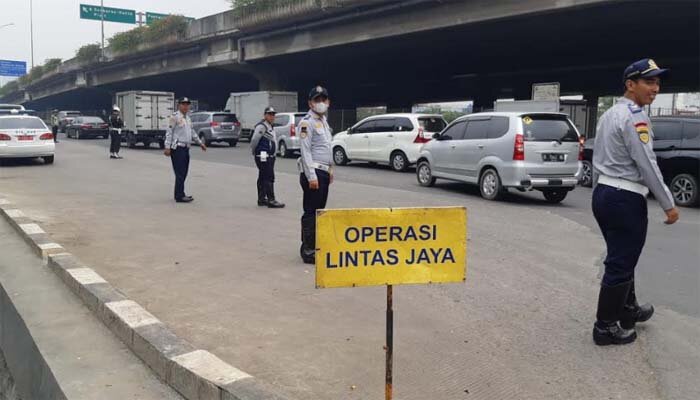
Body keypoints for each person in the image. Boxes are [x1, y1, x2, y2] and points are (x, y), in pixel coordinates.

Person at [591, 58, 680, 346]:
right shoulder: (635, 116)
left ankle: (628, 309)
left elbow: (598, 158)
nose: (655, 88)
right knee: (621, 261)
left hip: (604, 194)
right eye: (649, 82)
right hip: (625, 197)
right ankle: (604, 327)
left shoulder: (609, 115)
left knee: (622, 256)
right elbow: (647, 163)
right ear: (631, 84)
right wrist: (668, 202)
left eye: (657, 82)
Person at [298, 86, 333, 264]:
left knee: (319, 211)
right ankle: (308, 250)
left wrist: (331, 170)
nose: (320, 103)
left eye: (323, 99)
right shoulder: (307, 122)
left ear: (328, 102)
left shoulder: (324, 121)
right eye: (316, 100)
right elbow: (305, 151)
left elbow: (327, 147)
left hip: (323, 171)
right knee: (311, 211)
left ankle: (314, 244)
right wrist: (311, 176)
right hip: (314, 172)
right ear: (310, 103)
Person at [163, 97, 207, 203]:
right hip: (177, 148)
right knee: (180, 172)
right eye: (183, 104)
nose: (186, 106)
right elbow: (169, 132)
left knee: (184, 172)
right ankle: (179, 196)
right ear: (179, 105)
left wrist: (200, 143)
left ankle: (181, 193)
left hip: (186, 148)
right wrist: (167, 147)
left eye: (187, 104)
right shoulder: (175, 117)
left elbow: (192, 132)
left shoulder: (188, 118)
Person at [250, 107, 285, 208]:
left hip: (268, 155)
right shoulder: (262, 126)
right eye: (269, 114)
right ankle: (271, 200)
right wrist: (254, 151)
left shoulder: (270, 126)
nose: (272, 116)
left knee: (262, 176)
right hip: (263, 155)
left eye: (273, 114)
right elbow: (254, 140)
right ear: (265, 115)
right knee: (269, 176)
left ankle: (261, 199)